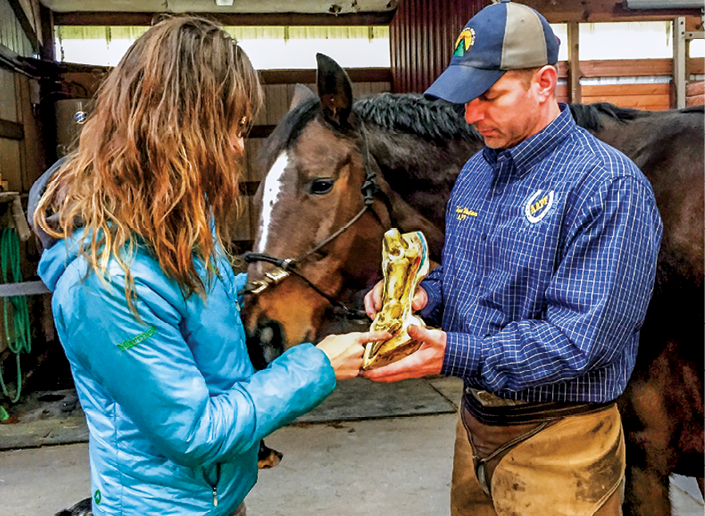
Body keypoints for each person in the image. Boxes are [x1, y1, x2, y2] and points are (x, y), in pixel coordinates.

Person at [30, 17, 387, 516]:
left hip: (217, 499)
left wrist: (282, 285)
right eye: (230, 128)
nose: (238, 146)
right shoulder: (106, 281)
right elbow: (194, 432)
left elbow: (195, 303)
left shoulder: (177, 227)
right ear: (172, 128)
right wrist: (319, 366)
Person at [363, 1, 662, 515]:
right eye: (466, 99)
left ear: (544, 83)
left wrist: (454, 353)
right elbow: (462, 280)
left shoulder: (606, 187)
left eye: (490, 97)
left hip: (563, 441)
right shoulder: (478, 172)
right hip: (475, 427)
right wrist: (423, 299)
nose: (472, 115)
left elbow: (579, 340)